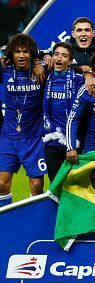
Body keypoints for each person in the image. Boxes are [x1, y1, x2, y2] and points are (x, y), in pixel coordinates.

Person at [0, 33, 46, 207]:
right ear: (11, 54)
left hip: (33, 137)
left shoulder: (41, 72)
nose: (21, 55)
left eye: (25, 52)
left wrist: (38, 62)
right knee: (2, 184)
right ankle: (5, 223)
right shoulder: (4, 71)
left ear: (31, 53)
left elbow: (59, 57)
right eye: (17, 51)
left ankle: (34, 224)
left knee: (36, 185)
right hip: (8, 136)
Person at [42, 42, 85, 181]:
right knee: (55, 185)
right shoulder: (44, 77)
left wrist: (88, 73)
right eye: (56, 54)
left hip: (73, 141)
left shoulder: (79, 80)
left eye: (64, 56)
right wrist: (39, 59)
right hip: (51, 140)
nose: (59, 58)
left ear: (70, 61)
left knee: (74, 186)